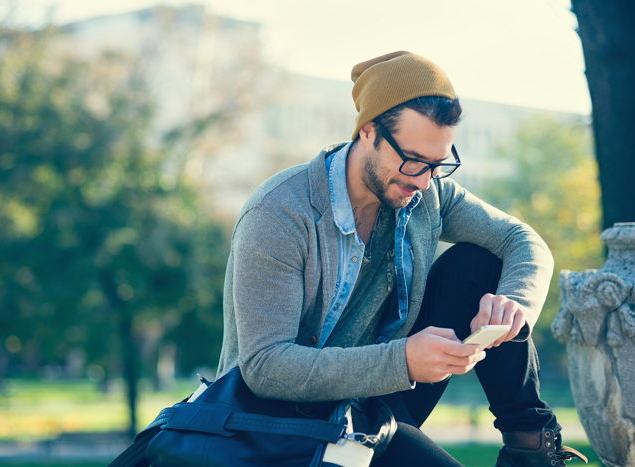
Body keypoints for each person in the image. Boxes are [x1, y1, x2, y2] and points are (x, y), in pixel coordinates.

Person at [215, 51, 587, 466]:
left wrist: (514, 304)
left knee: (477, 264)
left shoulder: (428, 192)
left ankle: (530, 443)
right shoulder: (280, 213)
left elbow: (522, 240)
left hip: (381, 401)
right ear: (368, 132)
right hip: (283, 423)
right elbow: (265, 368)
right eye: (412, 160)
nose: (423, 179)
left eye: (437, 165)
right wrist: (404, 359)